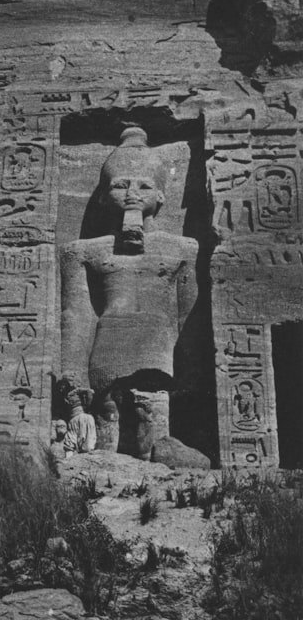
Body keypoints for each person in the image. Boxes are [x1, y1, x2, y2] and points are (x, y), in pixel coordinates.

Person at [59, 127, 198, 457]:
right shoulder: (82, 252)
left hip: (157, 354)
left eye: (144, 185)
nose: (132, 193)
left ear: (161, 195)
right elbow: (77, 317)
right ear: (105, 196)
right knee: (107, 430)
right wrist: (74, 386)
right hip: (106, 351)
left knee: (154, 429)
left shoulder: (182, 250)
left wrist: (190, 376)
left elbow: (187, 318)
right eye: (121, 185)